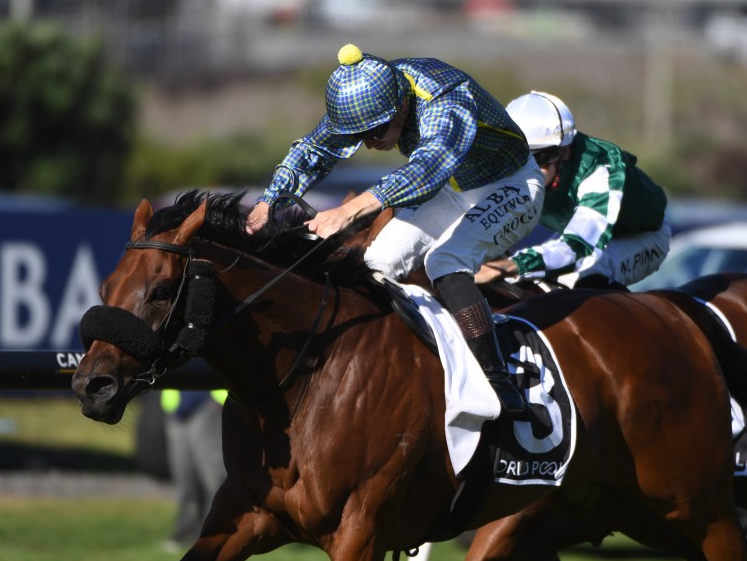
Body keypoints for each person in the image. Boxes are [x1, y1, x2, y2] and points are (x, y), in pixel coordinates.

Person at [246, 44, 544, 419]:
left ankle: (498, 383)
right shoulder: (377, 93)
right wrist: (267, 202)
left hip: (513, 187)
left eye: (375, 131)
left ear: (401, 104)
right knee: (375, 264)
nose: (371, 143)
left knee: (445, 262)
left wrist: (349, 210)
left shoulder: (446, 97)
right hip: (452, 190)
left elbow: (428, 169)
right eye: (361, 135)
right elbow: (313, 150)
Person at [475, 91, 671, 290]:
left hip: (642, 237)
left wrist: (511, 266)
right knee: (527, 280)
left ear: (564, 151)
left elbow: (579, 247)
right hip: (581, 237)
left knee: (575, 275)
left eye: (537, 158)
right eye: (515, 157)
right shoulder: (505, 170)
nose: (526, 171)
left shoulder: (600, 166)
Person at [161, 388, 227, 552]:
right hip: (176, 409)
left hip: (209, 404)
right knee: (184, 478)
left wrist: (217, 402)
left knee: (213, 478)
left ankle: (213, 536)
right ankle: (184, 534)